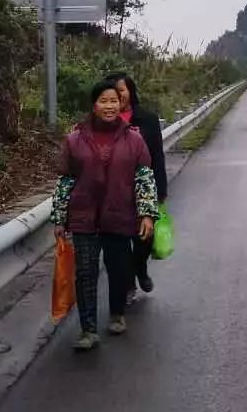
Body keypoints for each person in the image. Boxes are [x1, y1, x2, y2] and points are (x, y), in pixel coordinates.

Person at [52, 80, 159, 351]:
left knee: (119, 269)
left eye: (114, 101)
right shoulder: (75, 139)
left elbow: (144, 177)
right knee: (85, 273)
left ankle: (117, 315)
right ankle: (88, 329)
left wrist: (147, 214)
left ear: (120, 103)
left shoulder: (133, 138)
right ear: (93, 105)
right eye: (103, 101)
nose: (109, 106)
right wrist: (59, 217)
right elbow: (65, 180)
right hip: (84, 216)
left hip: (120, 214)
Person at [107, 71, 168, 296]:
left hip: (144, 190)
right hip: (114, 194)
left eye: (121, 91)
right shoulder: (103, 120)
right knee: (120, 244)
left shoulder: (147, 120)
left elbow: (157, 156)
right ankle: (128, 285)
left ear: (130, 92)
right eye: (113, 92)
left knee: (144, 239)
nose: (117, 96)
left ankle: (140, 269)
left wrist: (161, 190)